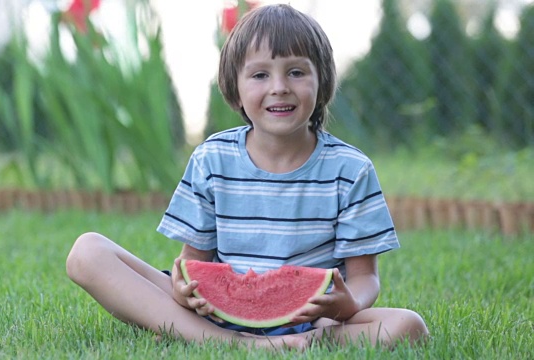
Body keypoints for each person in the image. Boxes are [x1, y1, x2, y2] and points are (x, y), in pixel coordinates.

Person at [66, 4, 429, 351]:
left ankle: (222, 336)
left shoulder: (351, 170)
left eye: (297, 72)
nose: (279, 87)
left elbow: (365, 277)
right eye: (260, 75)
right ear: (234, 87)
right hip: (218, 314)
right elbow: (195, 264)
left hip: (315, 319)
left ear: (322, 82)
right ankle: (239, 344)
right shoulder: (212, 158)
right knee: (87, 252)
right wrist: (182, 290)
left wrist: (348, 303)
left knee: (408, 326)